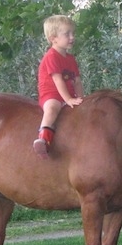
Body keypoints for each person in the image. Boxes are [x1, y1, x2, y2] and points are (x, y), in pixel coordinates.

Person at [33, 15, 84, 158]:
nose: (72, 37)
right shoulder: (51, 57)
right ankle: (43, 139)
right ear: (53, 38)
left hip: (69, 94)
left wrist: (80, 98)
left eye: (73, 33)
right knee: (52, 108)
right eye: (67, 34)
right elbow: (58, 80)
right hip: (52, 93)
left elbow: (77, 81)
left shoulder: (71, 59)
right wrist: (67, 99)